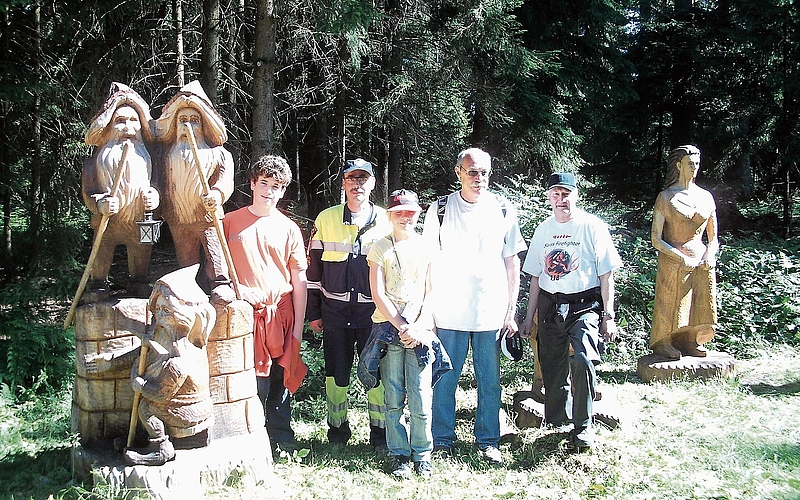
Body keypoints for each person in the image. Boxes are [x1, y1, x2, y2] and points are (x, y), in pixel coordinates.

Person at [421, 147, 527, 465]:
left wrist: (511, 311)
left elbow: (512, 263)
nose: (478, 178)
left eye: (484, 172)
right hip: (448, 311)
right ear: (458, 172)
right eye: (472, 171)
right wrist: (428, 312)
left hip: (490, 312)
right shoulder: (439, 209)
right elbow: (428, 263)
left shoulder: (504, 209)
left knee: (489, 381)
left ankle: (488, 441)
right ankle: (441, 439)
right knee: (444, 379)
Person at [520, 172, 622, 450]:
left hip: (585, 305)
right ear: (549, 197)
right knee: (552, 365)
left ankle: (583, 426)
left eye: (566, 194)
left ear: (576, 195)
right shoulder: (543, 229)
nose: (561, 199)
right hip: (551, 306)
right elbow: (535, 278)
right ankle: (557, 421)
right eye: (555, 193)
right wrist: (529, 318)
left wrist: (608, 316)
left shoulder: (592, 227)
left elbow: (606, 276)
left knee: (584, 360)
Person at [223, 155, 308, 452]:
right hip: (243, 315)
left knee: (280, 377)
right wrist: (237, 289)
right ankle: (249, 440)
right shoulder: (229, 222)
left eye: (276, 186)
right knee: (248, 380)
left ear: (282, 190)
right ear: (252, 184)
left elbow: (299, 279)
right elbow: (215, 270)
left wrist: (297, 327)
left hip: (280, 314)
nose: (268, 191)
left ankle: (281, 438)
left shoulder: (289, 228)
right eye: (263, 183)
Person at [306, 158, 392, 450]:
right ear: (343, 183)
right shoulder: (325, 219)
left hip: (374, 315)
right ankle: (337, 432)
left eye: (363, 179)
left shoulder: (386, 220)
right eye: (351, 178)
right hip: (334, 313)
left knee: (375, 375)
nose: (357, 184)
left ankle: (379, 434)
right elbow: (314, 273)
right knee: (336, 374)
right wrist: (314, 313)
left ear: (372, 183)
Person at [364, 189, 440, 479]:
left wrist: (418, 326)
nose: (405, 217)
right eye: (399, 212)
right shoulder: (379, 248)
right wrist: (401, 326)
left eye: (410, 212)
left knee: (421, 395)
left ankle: (423, 454)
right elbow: (378, 293)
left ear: (417, 214)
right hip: (388, 331)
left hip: (420, 333)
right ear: (389, 216)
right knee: (393, 396)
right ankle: (400, 455)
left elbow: (432, 291)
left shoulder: (427, 247)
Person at [124, 265, 216, 466]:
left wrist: (140, 385)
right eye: (157, 311)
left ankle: (161, 448)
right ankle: (144, 440)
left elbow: (160, 395)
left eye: (166, 311)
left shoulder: (180, 360)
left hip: (188, 411)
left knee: (146, 408)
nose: (160, 317)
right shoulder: (185, 344)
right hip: (190, 407)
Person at [154, 80, 234, 293]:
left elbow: (226, 181)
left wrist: (217, 195)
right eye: (182, 121)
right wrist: (155, 196)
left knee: (215, 252)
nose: (187, 126)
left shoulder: (219, 154)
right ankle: (189, 289)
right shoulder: (165, 156)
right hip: (178, 217)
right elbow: (159, 182)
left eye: (194, 120)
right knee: (186, 259)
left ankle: (221, 285)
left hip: (207, 216)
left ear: (204, 124)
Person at [82, 82, 160, 299]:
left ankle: (139, 281)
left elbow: (158, 184)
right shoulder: (94, 160)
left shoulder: (150, 156)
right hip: (108, 220)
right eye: (120, 122)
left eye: (134, 121)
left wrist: (155, 196)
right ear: (108, 127)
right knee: (102, 249)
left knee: (142, 248)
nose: (128, 128)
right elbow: (88, 191)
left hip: (140, 220)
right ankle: (98, 284)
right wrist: (99, 203)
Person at [650, 145, 719, 359]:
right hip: (673, 260)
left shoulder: (706, 197)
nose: (695, 168)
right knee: (671, 302)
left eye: (697, 164)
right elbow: (656, 239)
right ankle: (665, 341)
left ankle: (691, 339)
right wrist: (679, 257)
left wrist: (710, 255)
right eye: (691, 164)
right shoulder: (665, 197)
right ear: (679, 166)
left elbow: (714, 237)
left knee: (701, 301)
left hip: (700, 258)